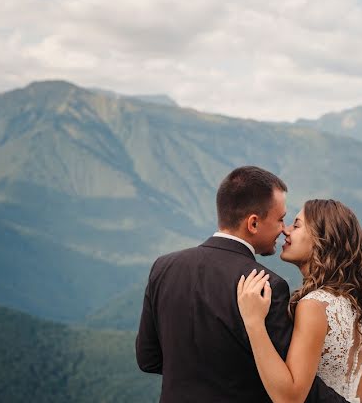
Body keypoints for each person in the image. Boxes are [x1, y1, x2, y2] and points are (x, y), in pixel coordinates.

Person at [136, 166, 346, 402]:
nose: (283, 229)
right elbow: (288, 382)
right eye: (280, 219)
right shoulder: (266, 284)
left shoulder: (164, 267)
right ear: (253, 223)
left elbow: (148, 359)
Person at [236, 198, 362, 403]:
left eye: (297, 225)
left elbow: (289, 398)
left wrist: (253, 322)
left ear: (322, 238)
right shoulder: (358, 303)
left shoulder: (315, 305)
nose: (286, 230)